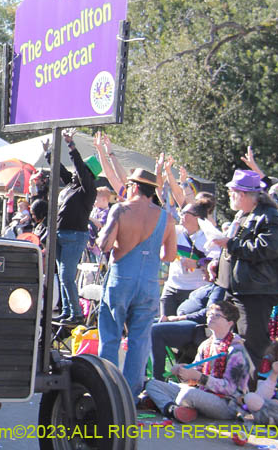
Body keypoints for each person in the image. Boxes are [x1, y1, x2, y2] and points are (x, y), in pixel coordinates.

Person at [97, 168, 178, 401]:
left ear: (133, 187)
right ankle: (129, 398)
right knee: (140, 341)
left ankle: (108, 392)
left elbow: (104, 245)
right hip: (150, 283)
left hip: (121, 278)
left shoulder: (120, 209)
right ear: (152, 192)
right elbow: (170, 255)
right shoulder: (166, 217)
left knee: (111, 335)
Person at [208, 169, 278, 367]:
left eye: (231, 192)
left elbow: (269, 249)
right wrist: (218, 265)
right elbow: (237, 249)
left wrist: (230, 245)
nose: (229, 197)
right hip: (238, 289)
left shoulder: (269, 217)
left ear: (242, 194)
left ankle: (254, 391)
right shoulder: (244, 215)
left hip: (255, 292)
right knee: (231, 341)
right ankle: (236, 389)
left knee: (252, 344)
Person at [144, 300, 254, 423]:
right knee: (153, 384)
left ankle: (168, 405)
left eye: (217, 315)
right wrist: (181, 372)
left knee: (188, 394)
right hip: (201, 393)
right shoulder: (206, 344)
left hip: (227, 403)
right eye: (209, 314)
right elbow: (193, 377)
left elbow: (230, 389)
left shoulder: (236, 349)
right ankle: (172, 409)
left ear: (230, 323)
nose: (211, 317)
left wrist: (199, 377)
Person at [43, 128, 97, 325]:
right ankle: (67, 311)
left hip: (75, 235)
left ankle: (76, 312)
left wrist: (71, 146)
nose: (74, 173)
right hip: (60, 234)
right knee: (62, 274)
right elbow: (62, 171)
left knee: (66, 275)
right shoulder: (72, 186)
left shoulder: (87, 189)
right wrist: (49, 154)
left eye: (79, 171)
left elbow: (80, 170)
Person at [151, 282, 227, 381]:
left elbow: (209, 313)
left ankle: (158, 380)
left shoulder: (218, 289)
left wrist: (176, 318)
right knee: (144, 324)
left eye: (203, 266)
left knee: (155, 331)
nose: (203, 269)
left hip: (195, 326)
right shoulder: (206, 286)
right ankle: (141, 377)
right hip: (182, 321)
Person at [159, 202, 212, 318]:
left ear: (197, 217)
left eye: (185, 213)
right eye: (181, 212)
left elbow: (216, 263)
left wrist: (197, 263)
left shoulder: (208, 237)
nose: (181, 215)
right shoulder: (176, 231)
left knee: (185, 329)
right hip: (171, 288)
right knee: (164, 324)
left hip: (195, 290)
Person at [243, 333, 278, 428]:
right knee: (250, 398)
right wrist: (274, 374)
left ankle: (273, 421)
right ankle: (276, 421)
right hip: (272, 408)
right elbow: (261, 396)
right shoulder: (269, 363)